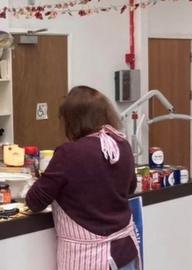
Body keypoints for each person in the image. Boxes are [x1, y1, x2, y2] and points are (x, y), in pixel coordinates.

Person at [26, 86, 141, 270]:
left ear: (72, 121)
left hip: (90, 259)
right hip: (125, 254)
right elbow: (129, 189)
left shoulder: (69, 153)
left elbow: (34, 201)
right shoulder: (122, 144)